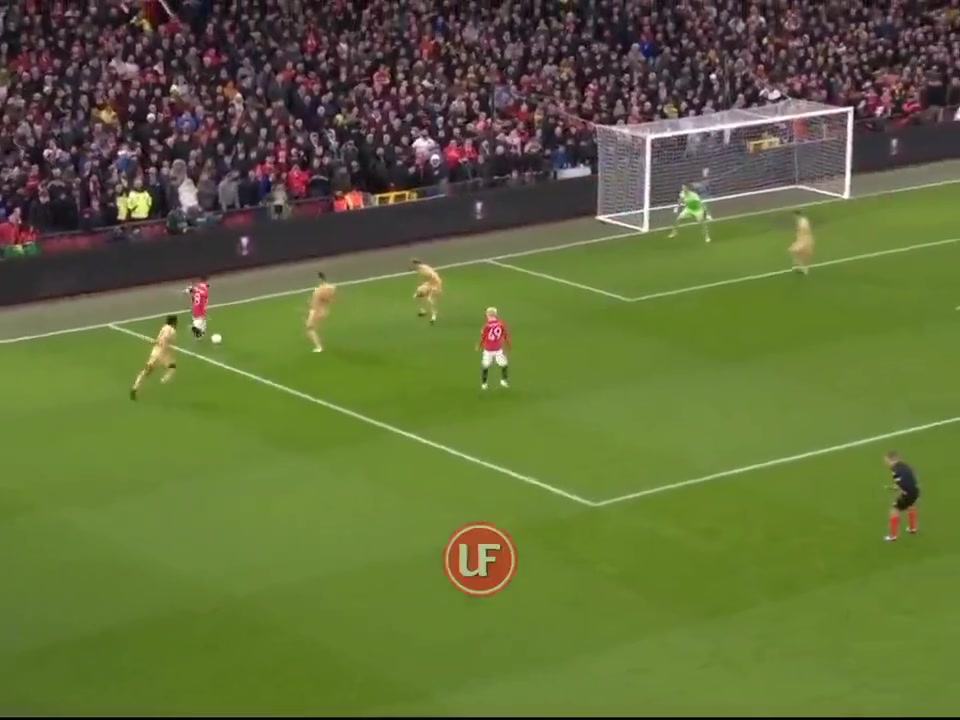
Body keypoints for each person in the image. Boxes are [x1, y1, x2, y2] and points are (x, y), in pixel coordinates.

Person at [130, 315, 178, 399]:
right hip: (163, 354)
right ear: (174, 322)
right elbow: (168, 340)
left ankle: (135, 387)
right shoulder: (172, 331)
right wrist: (164, 346)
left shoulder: (164, 327)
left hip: (155, 352)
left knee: (146, 371)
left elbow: (159, 339)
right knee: (172, 367)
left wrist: (155, 341)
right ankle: (164, 379)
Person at [884, 451, 920, 541]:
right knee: (911, 505)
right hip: (915, 490)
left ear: (891, 459)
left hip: (907, 493)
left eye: (887, 460)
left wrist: (896, 488)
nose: (886, 462)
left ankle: (892, 536)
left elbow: (900, 483)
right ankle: (912, 528)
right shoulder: (905, 465)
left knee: (894, 510)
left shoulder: (894, 469)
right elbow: (910, 477)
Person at [477, 306, 510, 390]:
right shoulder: (501, 323)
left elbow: (483, 337)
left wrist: (479, 345)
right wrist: (508, 345)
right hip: (498, 348)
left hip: (488, 349)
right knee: (504, 364)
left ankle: (484, 384)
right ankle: (504, 380)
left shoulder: (486, 326)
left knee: (485, 366)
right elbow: (505, 335)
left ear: (488, 315)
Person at [306, 271, 335, 352]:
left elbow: (320, 299)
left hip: (316, 311)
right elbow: (331, 300)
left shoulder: (319, 290)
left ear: (319, 279)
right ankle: (319, 344)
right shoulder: (331, 288)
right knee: (312, 327)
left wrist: (312, 306)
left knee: (310, 328)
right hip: (324, 310)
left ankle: (319, 347)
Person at [412, 259, 442, 323]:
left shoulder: (424, 270)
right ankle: (423, 311)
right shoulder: (423, 267)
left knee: (429, 299)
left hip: (435, 285)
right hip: (429, 283)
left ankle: (434, 314)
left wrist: (427, 287)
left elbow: (431, 276)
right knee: (416, 295)